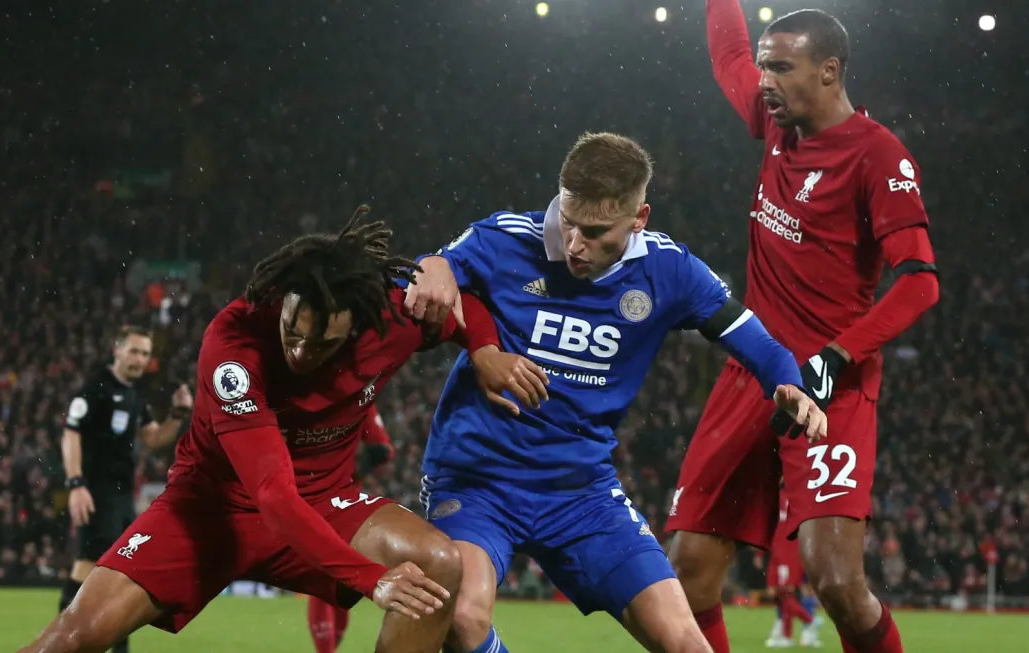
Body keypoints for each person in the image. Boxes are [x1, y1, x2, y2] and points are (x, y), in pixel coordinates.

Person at [17, 206, 548, 653]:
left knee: (437, 564)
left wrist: (483, 350)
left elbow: (460, 302)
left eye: (322, 345)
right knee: (76, 637)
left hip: (322, 503)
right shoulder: (234, 344)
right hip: (208, 511)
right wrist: (370, 578)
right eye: (292, 331)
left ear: (360, 324)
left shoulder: (393, 316)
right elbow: (271, 494)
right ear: (282, 302)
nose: (299, 351)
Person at [403, 131, 828, 653]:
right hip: (478, 482)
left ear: (639, 219)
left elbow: (755, 341)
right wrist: (436, 269)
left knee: (688, 645)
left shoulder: (668, 270)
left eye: (596, 230)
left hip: (582, 494)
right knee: (463, 619)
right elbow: (431, 269)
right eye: (568, 220)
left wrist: (788, 384)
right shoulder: (506, 239)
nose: (575, 243)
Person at [663, 5, 941, 653]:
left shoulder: (877, 156)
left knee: (837, 581)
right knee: (687, 567)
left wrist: (835, 356)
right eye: (764, 66)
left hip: (831, 384)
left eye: (780, 67)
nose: (763, 80)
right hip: (752, 371)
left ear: (828, 71)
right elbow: (727, 55)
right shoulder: (773, 122)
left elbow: (919, 279)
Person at [59, 325, 193, 653]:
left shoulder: (135, 395)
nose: (140, 359)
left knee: (118, 572)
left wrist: (177, 414)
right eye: (134, 351)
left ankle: (94, 644)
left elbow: (153, 439)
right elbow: (71, 433)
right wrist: (76, 483)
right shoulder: (96, 388)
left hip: (121, 496)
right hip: (97, 492)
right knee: (91, 566)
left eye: (145, 354)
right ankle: (65, 642)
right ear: (117, 350)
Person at [307, 406, 395, 653]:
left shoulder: (292, 391)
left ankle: (327, 649)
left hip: (307, 494)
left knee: (326, 575)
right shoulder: (359, 396)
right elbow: (382, 450)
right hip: (343, 498)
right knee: (334, 576)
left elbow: (382, 451)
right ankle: (328, 649)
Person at [763, 486, 822, 648]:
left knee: (787, 593)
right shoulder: (789, 497)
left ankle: (808, 623)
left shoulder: (791, 498)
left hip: (788, 550)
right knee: (781, 594)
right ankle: (787, 633)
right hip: (780, 549)